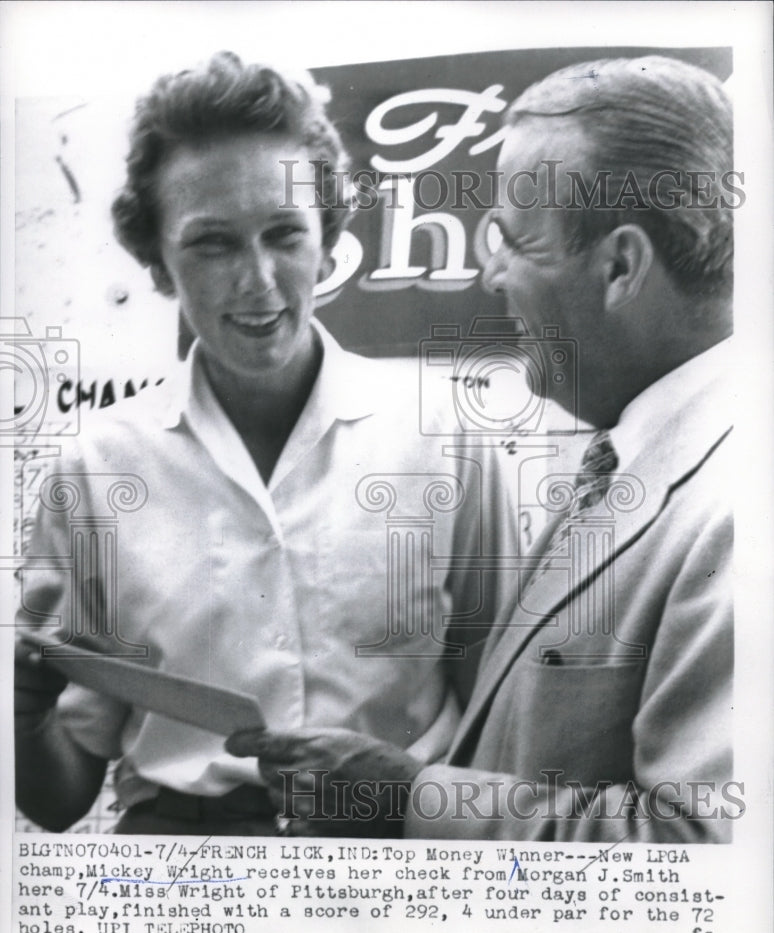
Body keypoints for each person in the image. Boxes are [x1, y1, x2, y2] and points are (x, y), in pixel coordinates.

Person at [228, 55, 736, 843]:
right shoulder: (632, 456)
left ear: (621, 265)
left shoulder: (736, 511)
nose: (490, 273)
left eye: (511, 242)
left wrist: (407, 799)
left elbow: (708, 863)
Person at [14, 52, 515, 835]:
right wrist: (19, 715)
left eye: (285, 234)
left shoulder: (447, 433)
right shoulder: (96, 472)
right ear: (156, 262)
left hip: (395, 865)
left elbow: (503, 719)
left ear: (329, 237)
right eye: (212, 244)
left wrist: (417, 791)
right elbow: (59, 796)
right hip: (181, 883)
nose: (259, 281)